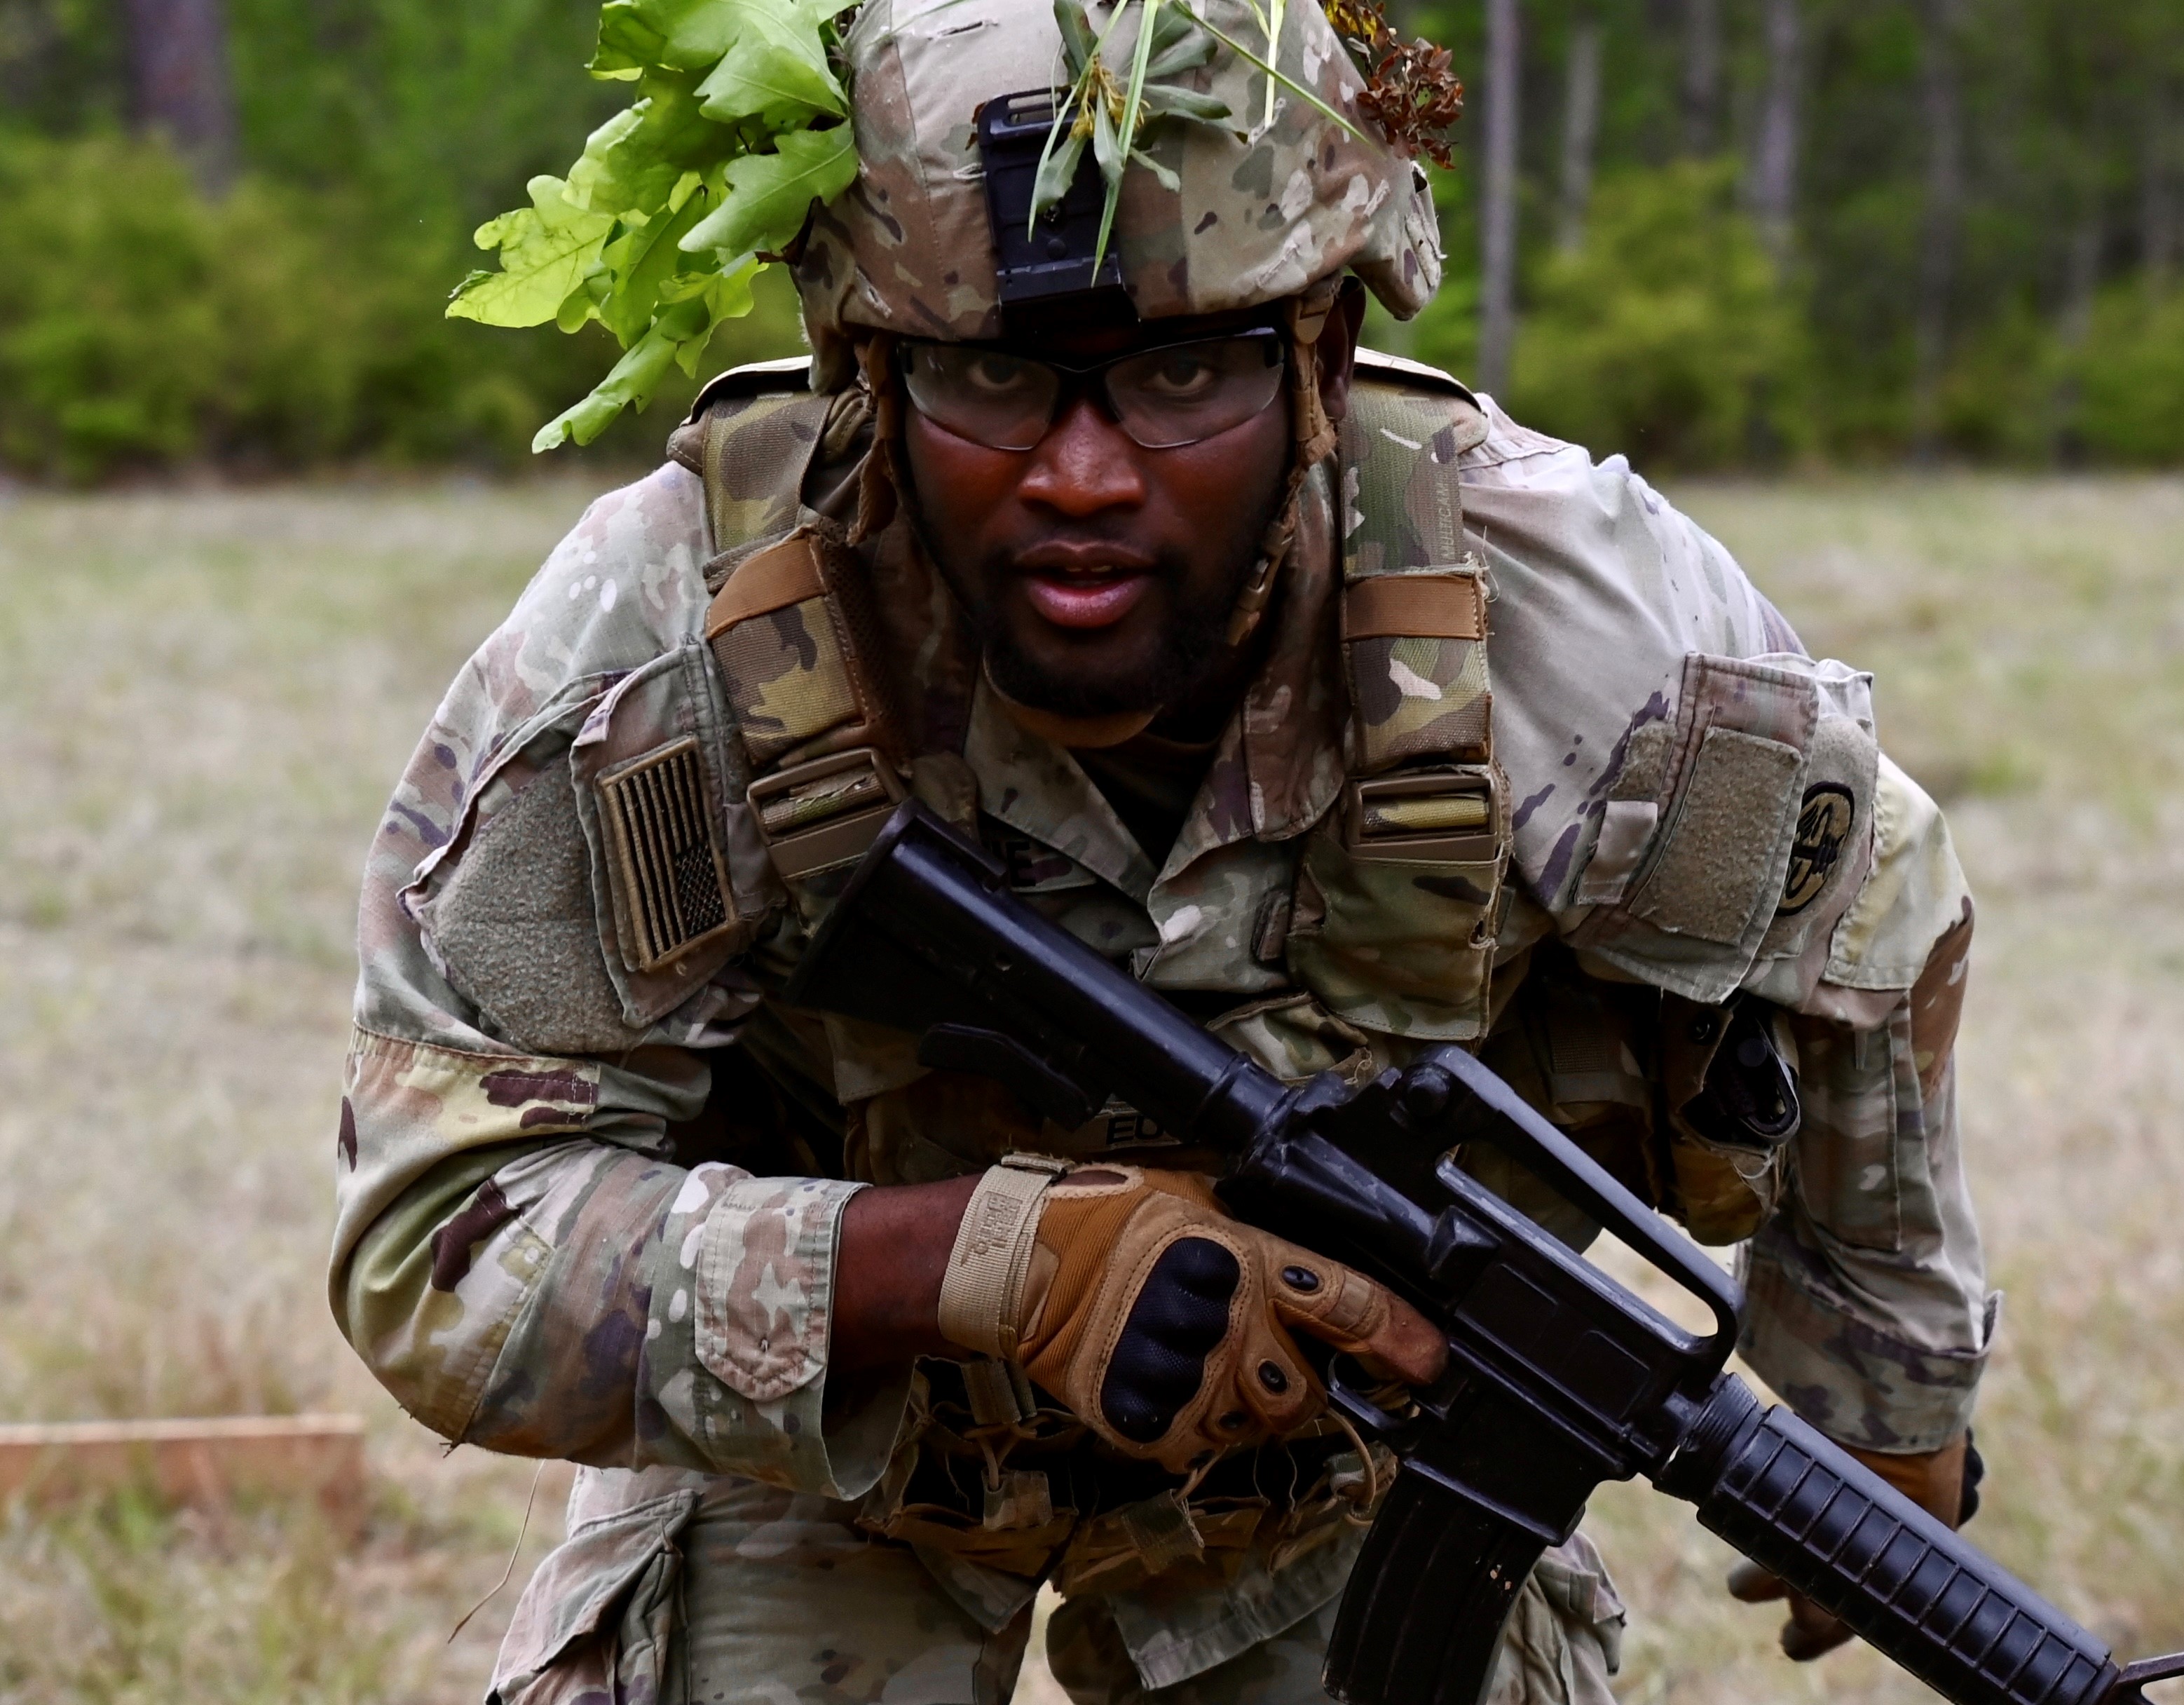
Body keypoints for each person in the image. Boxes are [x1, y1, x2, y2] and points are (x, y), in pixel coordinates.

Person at [331, 0, 1992, 1698]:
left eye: (1185, 372)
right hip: (837, 1454)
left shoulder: (1567, 618)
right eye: (989, 377)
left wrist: (1889, 1412)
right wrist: (983, 1261)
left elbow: (1865, 935)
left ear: (1326, 356)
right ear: (864, 370)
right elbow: (439, 1245)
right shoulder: (671, 643)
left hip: (1345, 1478)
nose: (1082, 474)